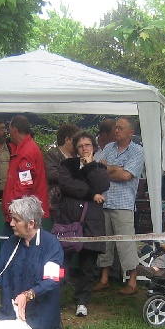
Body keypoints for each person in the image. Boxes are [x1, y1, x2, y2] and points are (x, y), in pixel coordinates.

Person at [0, 196, 66, 329]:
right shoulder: (10, 243)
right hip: (10, 313)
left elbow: (52, 281)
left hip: (40, 315)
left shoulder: (51, 244)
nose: (11, 224)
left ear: (31, 224)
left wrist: (28, 295)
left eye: (16, 220)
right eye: (12, 219)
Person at [57, 131, 110, 317]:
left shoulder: (99, 168)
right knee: (61, 263)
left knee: (88, 266)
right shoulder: (67, 165)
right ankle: (55, 297)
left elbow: (102, 185)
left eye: (87, 145)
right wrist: (90, 194)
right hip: (69, 220)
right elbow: (66, 185)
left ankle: (82, 301)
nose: (84, 149)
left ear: (93, 147)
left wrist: (89, 167)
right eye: (80, 146)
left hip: (91, 222)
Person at [94, 116, 145, 295]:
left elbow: (126, 176)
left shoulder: (137, 151)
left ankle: (132, 281)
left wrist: (109, 168)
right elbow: (98, 169)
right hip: (105, 201)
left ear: (131, 132)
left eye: (121, 128)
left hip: (124, 204)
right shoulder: (108, 147)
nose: (116, 131)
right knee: (105, 242)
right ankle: (104, 278)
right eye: (116, 127)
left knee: (126, 243)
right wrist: (116, 168)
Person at [2, 115, 50, 226]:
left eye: (9, 130)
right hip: (24, 211)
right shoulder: (26, 148)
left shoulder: (27, 151)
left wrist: (11, 204)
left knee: (8, 242)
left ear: (15, 130)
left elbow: (25, 183)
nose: (9, 134)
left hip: (22, 213)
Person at [44, 123, 80, 218]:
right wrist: (74, 176)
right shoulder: (52, 154)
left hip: (74, 202)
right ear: (67, 140)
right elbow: (52, 174)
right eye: (76, 140)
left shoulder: (76, 156)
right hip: (57, 203)